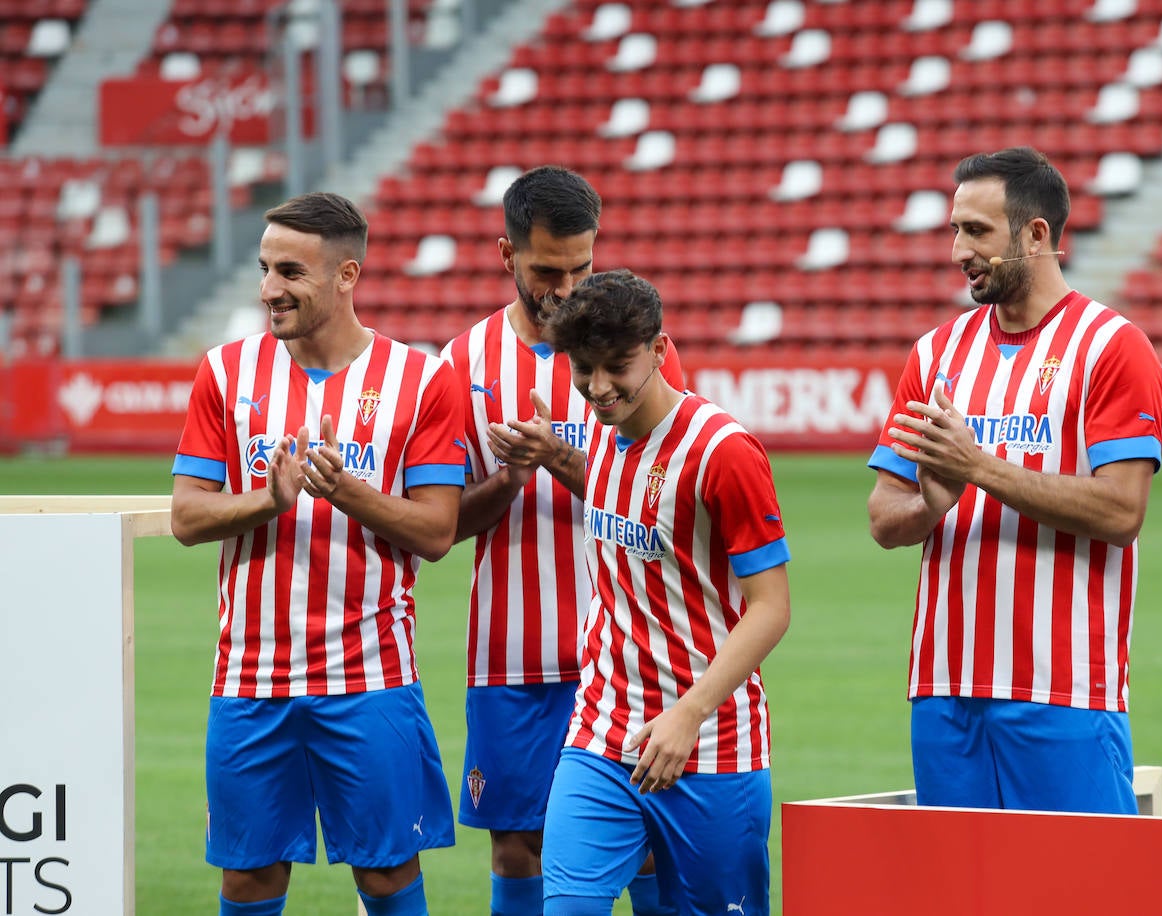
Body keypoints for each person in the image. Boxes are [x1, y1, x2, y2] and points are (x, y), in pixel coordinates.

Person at [170, 191, 465, 916]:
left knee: (388, 873)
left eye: (291, 272)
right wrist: (268, 501)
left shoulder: (422, 381)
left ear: (347, 275)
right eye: (266, 268)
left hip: (370, 678)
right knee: (248, 877)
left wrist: (347, 491)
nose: (270, 288)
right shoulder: (225, 372)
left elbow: (435, 533)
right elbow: (185, 515)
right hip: (248, 679)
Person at [866, 146, 1162, 814]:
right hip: (943, 691)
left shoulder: (1111, 346)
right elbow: (885, 517)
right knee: (962, 896)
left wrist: (978, 470)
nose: (957, 251)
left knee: (1080, 891)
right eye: (953, 229)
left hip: (1063, 690)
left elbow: (1122, 511)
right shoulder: (937, 353)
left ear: (1037, 235)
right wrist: (930, 507)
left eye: (976, 232)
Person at [439, 166, 680, 916]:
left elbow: (668, 497)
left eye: (583, 266)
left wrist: (562, 461)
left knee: (642, 833)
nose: (568, 288)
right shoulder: (462, 364)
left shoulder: (643, 351)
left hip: (631, 653)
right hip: (511, 652)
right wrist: (508, 481)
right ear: (505, 255)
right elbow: (441, 524)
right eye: (549, 270)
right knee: (519, 841)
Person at [538, 268, 791, 916]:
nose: (597, 388)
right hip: (602, 732)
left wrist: (689, 713)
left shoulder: (724, 453)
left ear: (658, 349)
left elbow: (771, 608)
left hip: (710, 741)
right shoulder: (600, 435)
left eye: (615, 366)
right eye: (582, 368)